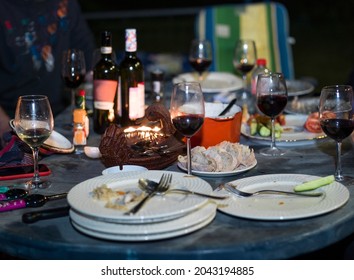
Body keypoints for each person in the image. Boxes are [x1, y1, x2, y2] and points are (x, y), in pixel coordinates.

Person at [0, 0, 95, 148]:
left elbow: (88, 63)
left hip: (59, 119)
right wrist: (7, 132)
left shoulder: (66, 4)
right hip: (12, 123)